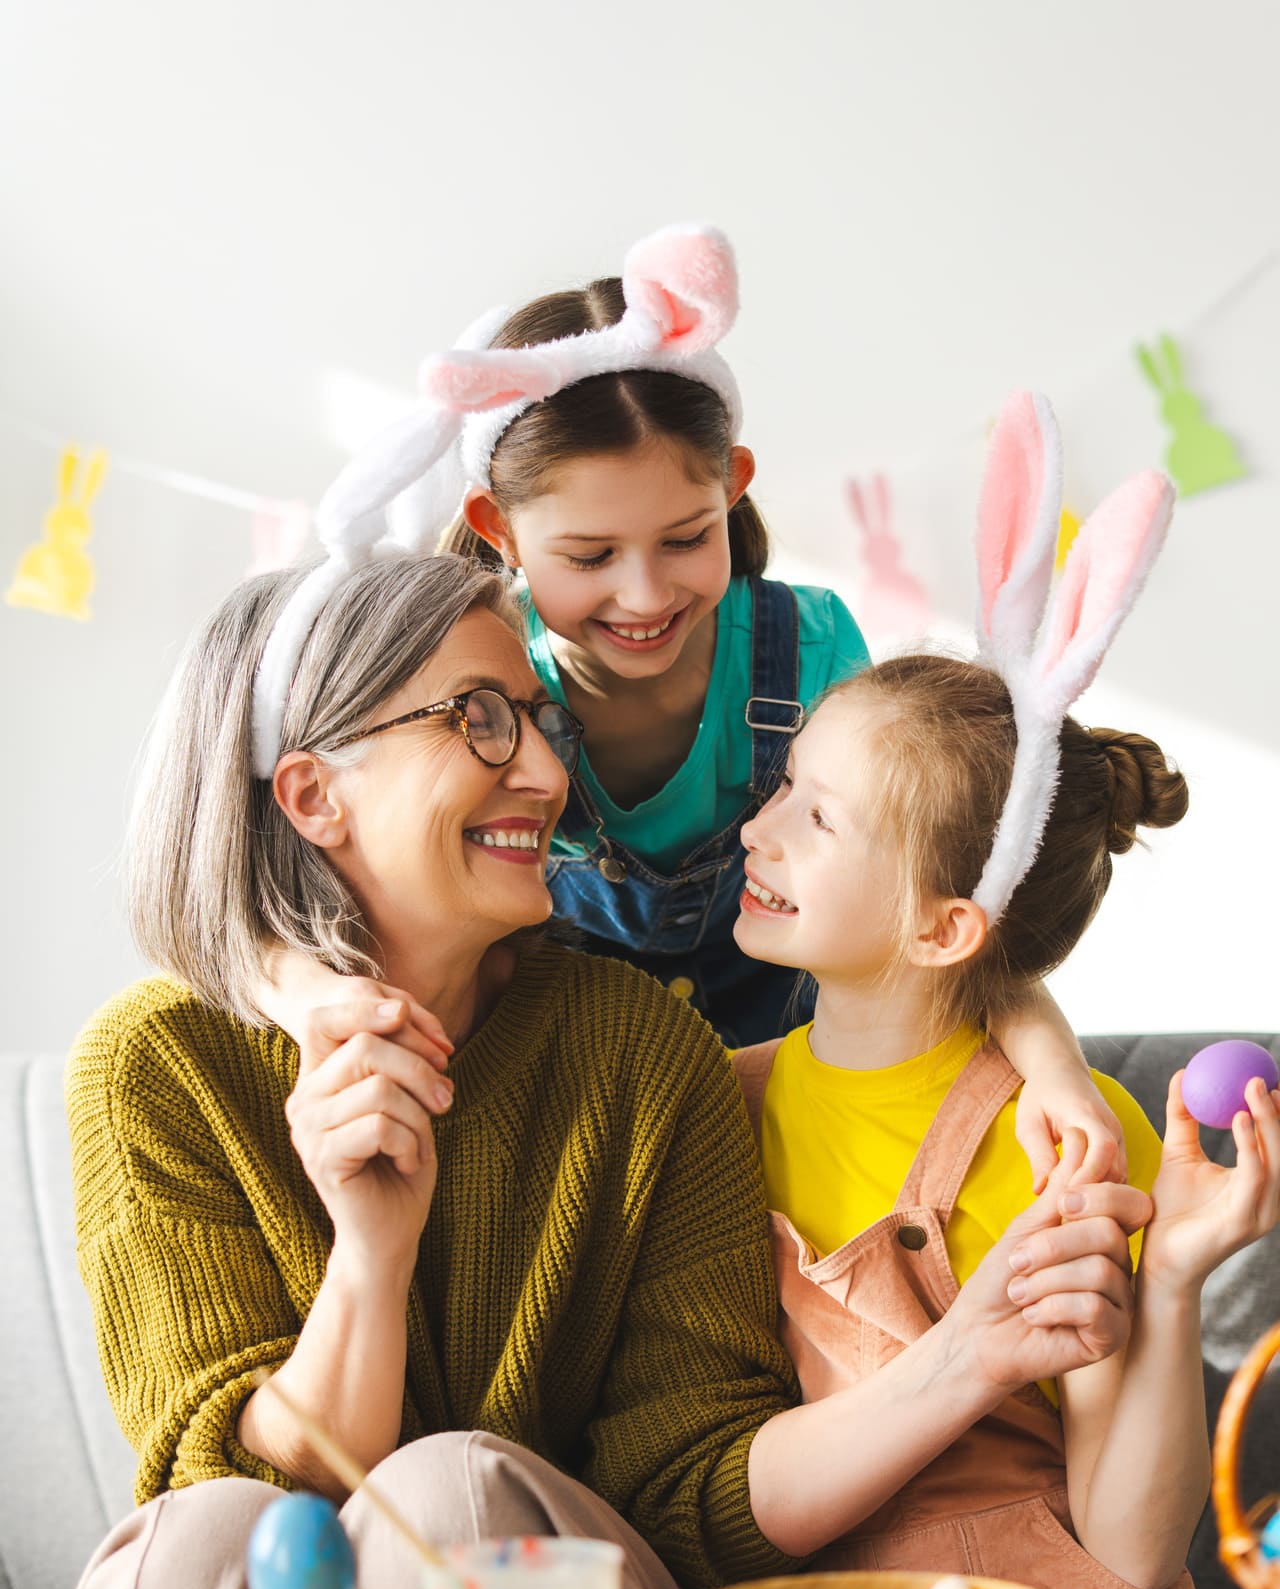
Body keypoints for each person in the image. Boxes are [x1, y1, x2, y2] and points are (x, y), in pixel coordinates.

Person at [65, 548, 1151, 1589]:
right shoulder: (157, 1068)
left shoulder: (641, 1053)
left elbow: (694, 1493)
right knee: (195, 1537)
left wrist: (1039, 1043)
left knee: (451, 1495)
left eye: (543, 722)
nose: (546, 774)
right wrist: (370, 1251)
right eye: (481, 718)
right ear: (311, 794)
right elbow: (233, 1482)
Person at [259, 222, 1141, 1187]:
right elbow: (291, 893)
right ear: (496, 530)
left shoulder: (806, 653)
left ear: (733, 488)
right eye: (590, 557)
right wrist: (310, 996)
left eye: (685, 539)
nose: (644, 597)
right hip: (585, 1137)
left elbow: (946, 896)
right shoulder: (470, 695)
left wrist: (1056, 1064)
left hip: (802, 1121)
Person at [731, 394, 1280, 1589]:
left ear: (940, 929)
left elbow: (1128, 1556)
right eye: (782, 787)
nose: (757, 829)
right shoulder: (713, 1101)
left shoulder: (1069, 1160)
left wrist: (1179, 1276)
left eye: (815, 821)